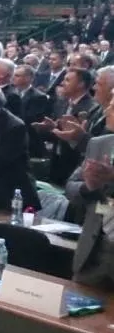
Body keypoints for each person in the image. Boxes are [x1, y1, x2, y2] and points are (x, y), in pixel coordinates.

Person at [65, 99, 114, 289]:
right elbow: (71, 186)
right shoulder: (99, 144)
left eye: (113, 107)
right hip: (94, 250)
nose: (107, 110)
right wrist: (89, 187)